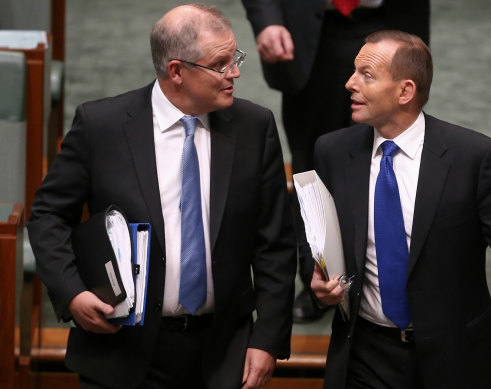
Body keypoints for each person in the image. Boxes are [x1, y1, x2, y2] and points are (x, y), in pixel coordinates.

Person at [26, 4, 297, 389]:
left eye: (234, 58)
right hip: (121, 350)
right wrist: (72, 292)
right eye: (220, 64)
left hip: (223, 356)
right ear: (176, 72)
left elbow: (276, 245)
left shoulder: (255, 128)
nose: (235, 72)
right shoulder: (102, 125)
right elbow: (48, 215)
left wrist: (268, 338)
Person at [309, 30, 491, 389]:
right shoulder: (332, 152)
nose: (349, 83)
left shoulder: (474, 158)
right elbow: (313, 234)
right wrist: (316, 279)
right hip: (365, 352)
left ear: (405, 91)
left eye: (366, 75)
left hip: (457, 356)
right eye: (354, 71)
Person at [242, 0, 430, 323]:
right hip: (312, 30)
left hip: (391, 17)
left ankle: (391, 278)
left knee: (391, 151)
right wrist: (268, 20)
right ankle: (318, 280)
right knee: (313, 164)